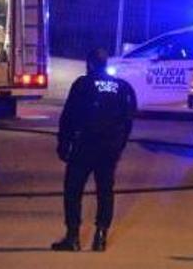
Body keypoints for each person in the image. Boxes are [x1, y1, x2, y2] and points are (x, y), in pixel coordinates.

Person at [52, 48, 135, 252]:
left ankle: (73, 237)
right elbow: (128, 119)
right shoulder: (122, 87)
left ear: (89, 64)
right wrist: (120, 145)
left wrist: (63, 143)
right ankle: (100, 236)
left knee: (73, 190)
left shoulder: (83, 84)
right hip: (109, 147)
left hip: (84, 145)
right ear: (106, 63)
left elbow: (68, 116)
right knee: (105, 191)